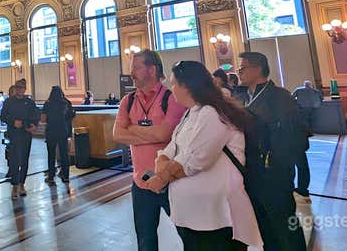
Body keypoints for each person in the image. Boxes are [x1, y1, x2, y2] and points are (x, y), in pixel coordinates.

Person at [145, 61, 262, 250]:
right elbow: (171, 148)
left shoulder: (213, 113)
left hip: (215, 218)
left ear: (187, 86)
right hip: (194, 216)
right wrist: (162, 160)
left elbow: (195, 161)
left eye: (174, 83)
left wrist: (162, 177)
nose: (171, 88)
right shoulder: (192, 112)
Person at [112, 49, 187, 251]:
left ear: (152, 70)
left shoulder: (172, 98)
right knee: (145, 241)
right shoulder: (128, 102)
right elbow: (117, 135)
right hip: (141, 183)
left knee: (188, 236)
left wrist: (133, 129)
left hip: (171, 181)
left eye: (136, 68)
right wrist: (153, 133)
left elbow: (165, 134)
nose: (132, 74)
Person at [236, 52, 307, 251]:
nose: (238, 72)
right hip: (251, 174)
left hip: (275, 176)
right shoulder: (241, 96)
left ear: (257, 69)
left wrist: (277, 166)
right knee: (265, 228)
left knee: (286, 228)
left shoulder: (280, 97)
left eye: (242, 68)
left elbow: (293, 137)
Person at [0, 79, 39, 199]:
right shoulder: (8, 102)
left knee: (25, 160)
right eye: (17, 87)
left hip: (26, 134)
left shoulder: (29, 102)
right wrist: (12, 122)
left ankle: (22, 184)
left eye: (21, 87)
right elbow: (2, 116)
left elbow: (35, 115)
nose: (19, 89)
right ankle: (15, 185)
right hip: (13, 134)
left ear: (25, 89)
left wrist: (33, 125)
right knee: (14, 160)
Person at [291, 80, 321, 198]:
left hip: (295, 140)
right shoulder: (314, 91)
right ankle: (303, 188)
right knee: (302, 165)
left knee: (295, 165)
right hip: (301, 139)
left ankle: (295, 187)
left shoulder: (298, 92)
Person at [42, 86, 74, 185]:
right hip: (63, 130)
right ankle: (66, 176)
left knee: (51, 154)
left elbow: (43, 119)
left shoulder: (47, 104)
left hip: (51, 131)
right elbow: (71, 116)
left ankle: (51, 177)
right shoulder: (66, 103)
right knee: (64, 154)